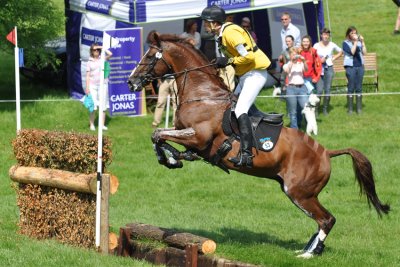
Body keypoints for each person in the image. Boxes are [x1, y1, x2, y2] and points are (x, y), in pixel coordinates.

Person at [201, 5, 271, 168]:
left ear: (214, 23)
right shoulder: (221, 34)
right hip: (247, 75)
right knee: (232, 105)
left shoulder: (230, 33)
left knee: (240, 110)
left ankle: (247, 154)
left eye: (206, 22)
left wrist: (229, 61)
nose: (204, 25)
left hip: (255, 73)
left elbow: (248, 56)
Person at [313, 28, 343, 115]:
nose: (325, 36)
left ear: (329, 36)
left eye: (327, 34)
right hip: (318, 69)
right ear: (321, 35)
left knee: (327, 90)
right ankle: (316, 109)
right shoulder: (316, 45)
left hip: (329, 68)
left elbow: (341, 51)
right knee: (319, 90)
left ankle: (325, 109)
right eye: (324, 34)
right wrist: (319, 60)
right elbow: (313, 56)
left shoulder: (332, 44)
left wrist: (333, 58)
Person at [86, 43, 112, 131]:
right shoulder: (89, 62)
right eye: (94, 50)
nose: (96, 51)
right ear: (91, 51)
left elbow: (110, 54)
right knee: (93, 106)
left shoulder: (102, 58)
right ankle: (92, 124)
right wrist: (87, 88)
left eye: (97, 50)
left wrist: (101, 47)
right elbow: (87, 76)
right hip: (92, 85)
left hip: (103, 85)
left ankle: (102, 125)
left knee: (103, 105)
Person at [342, 26, 367, 114]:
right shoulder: (345, 43)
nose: (354, 34)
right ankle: (350, 109)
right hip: (350, 67)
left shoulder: (359, 42)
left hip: (360, 66)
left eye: (355, 33)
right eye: (352, 33)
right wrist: (356, 42)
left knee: (359, 87)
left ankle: (359, 109)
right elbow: (352, 52)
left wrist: (363, 42)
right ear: (348, 34)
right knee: (351, 87)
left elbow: (364, 53)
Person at [283, 47, 308, 129]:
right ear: (290, 56)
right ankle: (294, 129)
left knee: (304, 107)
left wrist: (304, 61)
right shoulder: (287, 64)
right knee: (293, 111)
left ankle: (302, 124)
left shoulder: (300, 64)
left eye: (296, 54)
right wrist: (292, 62)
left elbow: (306, 70)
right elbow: (287, 71)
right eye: (292, 54)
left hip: (302, 88)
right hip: (291, 88)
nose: (294, 56)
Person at [300, 35, 322, 119]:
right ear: (302, 42)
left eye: (307, 41)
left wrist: (316, 78)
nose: (305, 43)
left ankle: (314, 112)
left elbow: (318, 66)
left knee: (313, 96)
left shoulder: (313, 51)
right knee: (304, 97)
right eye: (304, 41)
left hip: (311, 78)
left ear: (310, 43)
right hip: (301, 79)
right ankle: (305, 115)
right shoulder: (298, 51)